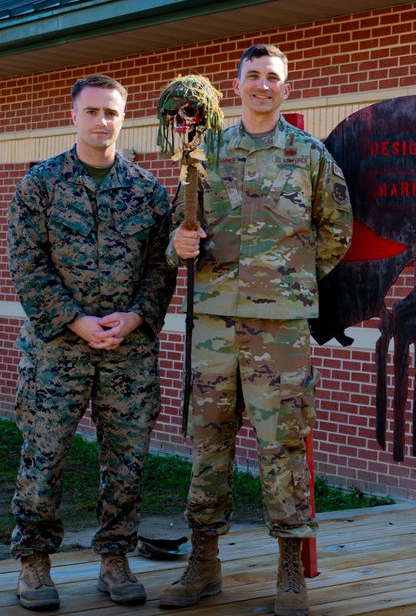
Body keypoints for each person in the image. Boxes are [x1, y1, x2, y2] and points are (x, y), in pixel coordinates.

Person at [159, 44, 352, 616]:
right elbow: (176, 229)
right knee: (208, 444)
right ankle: (203, 564)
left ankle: (290, 573)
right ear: (235, 86)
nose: (262, 85)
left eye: (273, 78)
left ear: (285, 89)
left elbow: (336, 229)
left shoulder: (310, 154)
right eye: (252, 76)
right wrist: (180, 245)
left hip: (280, 329)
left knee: (284, 445)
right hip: (214, 320)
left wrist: (290, 279)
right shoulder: (204, 151)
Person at [7, 74, 176, 609]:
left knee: (126, 461)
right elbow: (26, 265)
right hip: (56, 352)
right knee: (44, 457)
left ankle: (115, 559)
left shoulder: (147, 191)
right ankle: (34, 565)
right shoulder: (40, 184)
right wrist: (75, 320)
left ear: (124, 118)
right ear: (74, 115)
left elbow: (159, 267)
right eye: (93, 111)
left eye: (112, 112)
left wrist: (136, 316)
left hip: (128, 352)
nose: (103, 121)